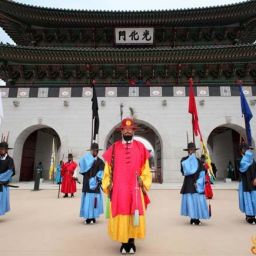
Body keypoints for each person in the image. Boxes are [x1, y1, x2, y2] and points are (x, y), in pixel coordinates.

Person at [102, 117, 152, 254]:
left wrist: (143, 180)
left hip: (134, 188)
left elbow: (146, 169)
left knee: (133, 213)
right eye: (125, 129)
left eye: (130, 129)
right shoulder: (113, 148)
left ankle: (131, 241)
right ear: (122, 131)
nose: (128, 131)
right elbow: (107, 170)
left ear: (133, 131)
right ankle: (124, 242)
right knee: (122, 212)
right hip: (119, 189)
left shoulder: (140, 147)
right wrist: (108, 183)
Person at [180, 142, 210, 225]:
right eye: (190, 150)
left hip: (197, 183)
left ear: (195, 150)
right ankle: (192, 218)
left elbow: (203, 171)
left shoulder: (199, 161)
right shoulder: (184, 160)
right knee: (190, 200)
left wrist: (199, 182)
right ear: (188, 150)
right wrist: (190, 161)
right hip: (189, 183)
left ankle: (197, 218)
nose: (192, 151)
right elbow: (184, 171)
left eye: (193, 150)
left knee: (197, 201)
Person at [79, 143, 104, 224]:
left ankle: (93, 217)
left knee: (94, 201)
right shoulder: (86, 160)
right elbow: (82, 169)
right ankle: (88, 217)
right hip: (87, 183)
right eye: (92, 150)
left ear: (97, 151)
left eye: (95, 151)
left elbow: (101, 172)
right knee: (87, 201)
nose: (94, 152)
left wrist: (96, 179)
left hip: (95, 184)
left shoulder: (100, 162)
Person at [238, 143, 256, 224]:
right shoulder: (242, 160)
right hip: (247, 182)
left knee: (251, 199)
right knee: (249, 199)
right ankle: (250, 216)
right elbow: (242, 169)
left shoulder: (251, 160)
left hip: (251, 182)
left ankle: (252, 215)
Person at [0, 142, 15, 216]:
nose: (1, 150)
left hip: (2, 183)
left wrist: (1, 178)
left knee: (1, 199)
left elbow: (10, 171)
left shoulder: (10, 160)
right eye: (0, 149)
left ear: (6, 150)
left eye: (2, 149)